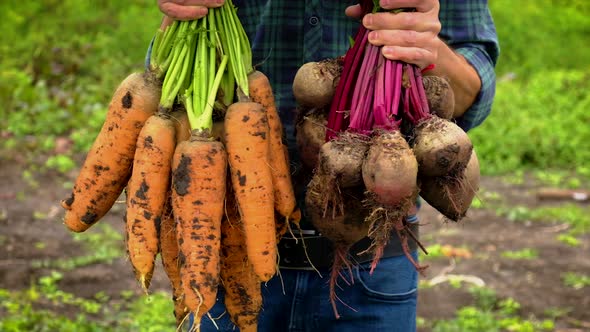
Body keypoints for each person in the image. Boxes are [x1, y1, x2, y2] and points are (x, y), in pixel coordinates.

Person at [153, 1, 499, 331]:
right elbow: (166, 80)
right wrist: (180, 15)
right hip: (221, 247)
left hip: (374, 253)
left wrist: (423, 47)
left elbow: (473, 80)